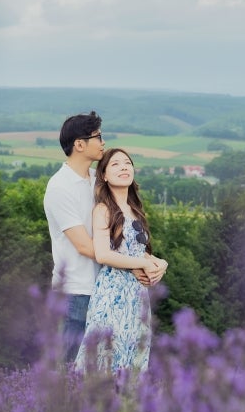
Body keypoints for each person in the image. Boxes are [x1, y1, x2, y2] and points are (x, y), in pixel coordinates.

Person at [43, 112, 162, 363]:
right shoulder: (60, 187)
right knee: (72, 370)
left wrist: (151, 261)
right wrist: (139, 265)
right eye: (98, 137)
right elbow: (87, 246)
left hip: (107, 291)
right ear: (79, 144)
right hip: (77, 291)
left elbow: (122, 237)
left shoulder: (97, 181)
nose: (103, 142)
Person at [76, 147, 164, 376]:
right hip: (112, 294)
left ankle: (127, 410)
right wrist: (143, 264)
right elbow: (103, 254)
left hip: (137, 297)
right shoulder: (103, 209)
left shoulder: (135, 210)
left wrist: (160, 264)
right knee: (106, 358)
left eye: (127, 162)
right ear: (103, 175)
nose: (124, 167)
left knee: (134, 359)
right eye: (115, 164)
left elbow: (138, 251)